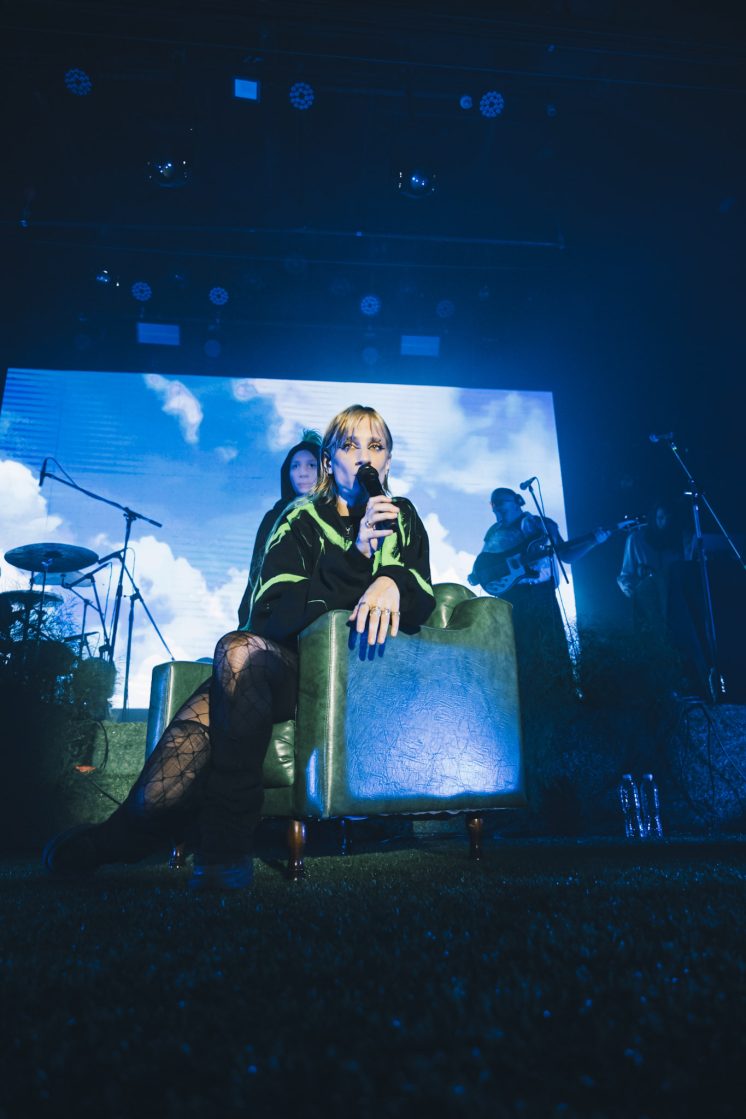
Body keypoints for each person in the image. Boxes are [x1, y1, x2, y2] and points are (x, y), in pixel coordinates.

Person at [43, 405, 435, 889]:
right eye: (350, 446)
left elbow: (421, 599)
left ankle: (158, 837)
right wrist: (355, 560)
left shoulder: (403, 516)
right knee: (232, 661)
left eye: (375, 446)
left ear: (389, 461)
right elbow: (271, 612)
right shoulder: (299, 519)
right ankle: (158, 839)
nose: (364, 457)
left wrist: (393, 580)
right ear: (330, 463)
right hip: (296, 671)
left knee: (224, 687)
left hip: (364, 674)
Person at [468, 487, 611, 694]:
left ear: (517, 501)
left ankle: (560, 704)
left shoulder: (541, 525)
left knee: (551, 653)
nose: (495, 508)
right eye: (493, 504)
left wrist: (593, 541)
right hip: (512, 601)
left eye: (500, 502)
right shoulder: (493, 532)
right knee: (521, 656)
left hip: (541, 597)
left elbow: (566, 556)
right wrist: (480, 574)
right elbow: (486, 563)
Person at [236, 431, 321, 627]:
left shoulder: (333, 515)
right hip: (268, 615)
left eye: (311, 465)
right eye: (295, 466)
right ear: (287, 473)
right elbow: (256, 572)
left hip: (314, 617)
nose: (302, 472)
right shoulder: (274, 517)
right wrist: (245, 620)